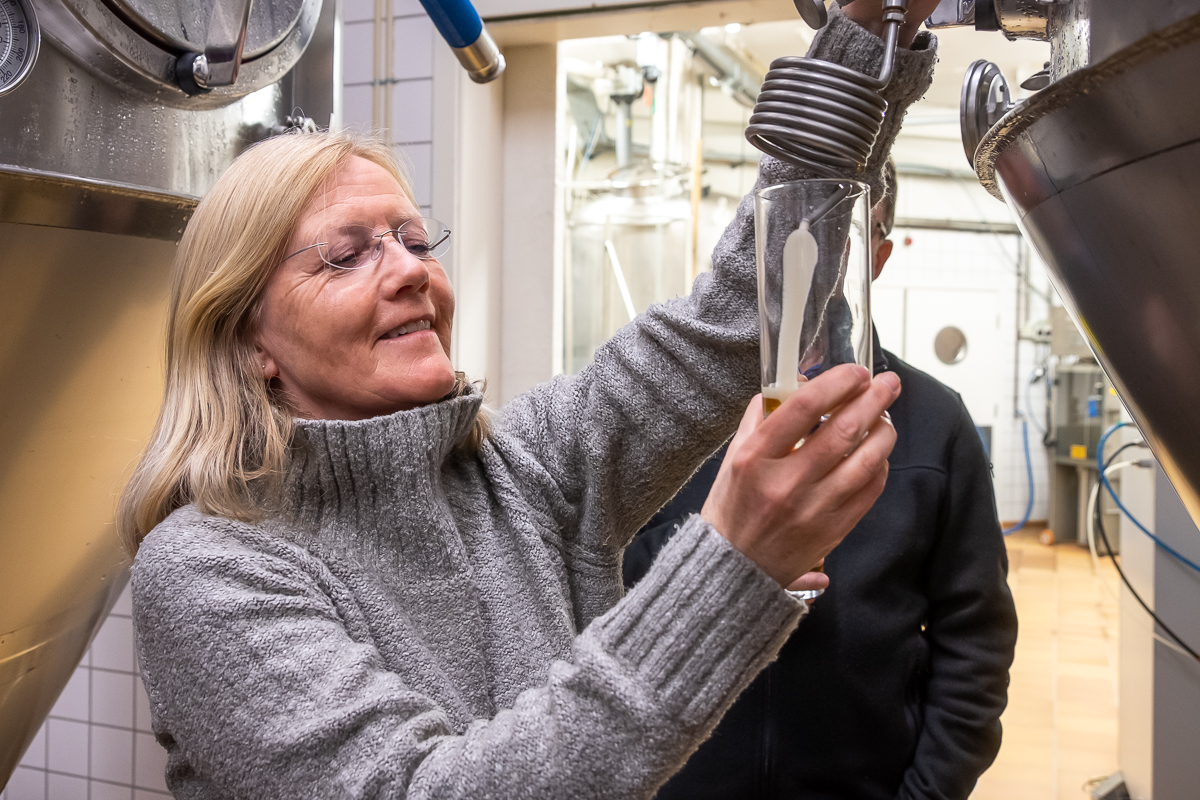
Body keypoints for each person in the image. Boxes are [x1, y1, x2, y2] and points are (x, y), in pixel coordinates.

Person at [120, 4, 939, 797]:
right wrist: (730, 566)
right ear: (248, 339)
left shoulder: (525, 470)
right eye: (345, 257)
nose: (410, 270)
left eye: (413, 240)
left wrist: (868, 32)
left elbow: (731, 319)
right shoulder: (209, 571)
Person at [623, 160, 1020, 800]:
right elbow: (611, 580)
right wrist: (720, 557)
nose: (809, 250)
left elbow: (975, 646)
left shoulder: (934, 424)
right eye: (788, 228)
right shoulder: (679, 412)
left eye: (845, 232)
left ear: (879, 253)